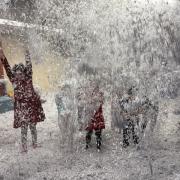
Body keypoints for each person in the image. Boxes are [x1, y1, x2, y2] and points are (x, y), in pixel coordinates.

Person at [0, 47, 45, 153]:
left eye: (21, 73)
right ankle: (24, 147)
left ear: (24, 73)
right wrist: (3, 58)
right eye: (17, 73)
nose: (18, 75)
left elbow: (29, 66)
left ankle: (35, 143)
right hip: (21, 108)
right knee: (24, 128)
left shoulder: (28, 78)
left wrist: (27, 55)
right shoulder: (14, 80)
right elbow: (7, 69)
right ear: (15, 73)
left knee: (33, 126)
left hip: (30, 106)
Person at [84, 83, 105, 151]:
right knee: (89, 130)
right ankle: (87, 143)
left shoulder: (100, 95)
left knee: (98, 131)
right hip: (91, 115)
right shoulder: (90, 95)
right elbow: (87, 104)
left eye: (94, 87)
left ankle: (98, 144)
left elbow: (100, 104)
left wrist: (96, 100)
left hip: (98, 115)